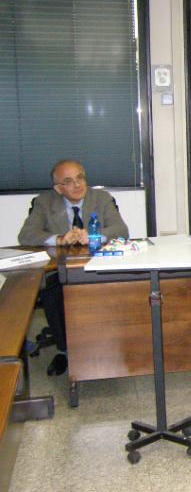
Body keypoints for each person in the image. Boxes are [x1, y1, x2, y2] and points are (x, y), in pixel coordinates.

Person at [18, 159, 129, 376]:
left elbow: (121, 230)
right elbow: (26, 236)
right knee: (54, 295)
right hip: (60, 270)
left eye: (80, 178)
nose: (77, 185)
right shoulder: (44, 202)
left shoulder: (101, 198)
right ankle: (65, 350)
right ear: (58, 188)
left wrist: (94, 235)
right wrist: (59, 239)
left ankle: (107, 345)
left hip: (97, 268)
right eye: (68, 181)